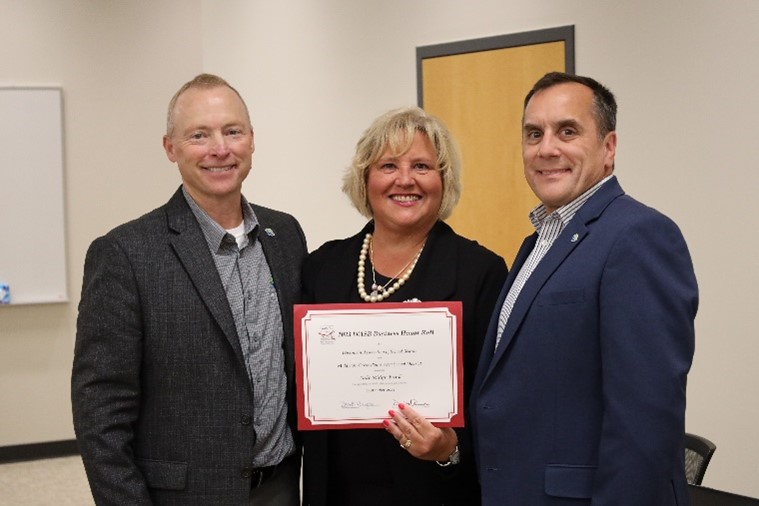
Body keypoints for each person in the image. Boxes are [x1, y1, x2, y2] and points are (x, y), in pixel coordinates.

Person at [71, 74, 306, 505]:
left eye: (232, 131)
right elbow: (100, 412)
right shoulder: (125, 254)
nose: (220, 149)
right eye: (199, 135)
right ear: (170, 148)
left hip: (281, 487)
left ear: (252, 140)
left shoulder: (285, 235)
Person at [470, 71, 699, 505]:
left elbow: (644, 424)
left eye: (567, 131)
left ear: (608, 148)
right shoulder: (538, 242)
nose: (546, 148)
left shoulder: (638, 236)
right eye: (533, 134)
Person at [300, 106, 508, 506]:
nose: (405, 180)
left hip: (436, 492)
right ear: (365, 178)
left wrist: (451, 449)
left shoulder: (480, 271)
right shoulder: (322, 266)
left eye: (422, 166)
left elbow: (497, 403)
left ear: (443, 181)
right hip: (336, 492)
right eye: (389, 165)